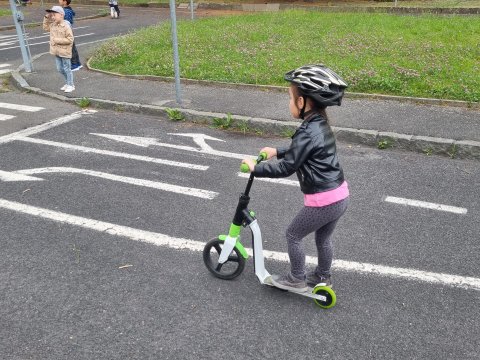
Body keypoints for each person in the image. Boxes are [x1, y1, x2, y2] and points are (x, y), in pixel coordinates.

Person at [241, 64, 350, 293]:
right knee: (323, 239)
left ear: (302, 103)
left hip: (323, 200)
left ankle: (296, 278)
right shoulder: (320, 124)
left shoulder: (307, 131)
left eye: (291, 98)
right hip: (340, 196)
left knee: (293, 234)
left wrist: (256, 169)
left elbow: (287, 168)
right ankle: (323, 276)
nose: (289, 103)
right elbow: (303, 150)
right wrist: (277, 151)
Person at [43, 6, 75, 93]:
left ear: (61, 15)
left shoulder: (66, 26)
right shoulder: (53, 25)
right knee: (60, 69)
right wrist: (46, 17)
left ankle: (71, 85)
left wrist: (56, 40)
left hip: (65, 51)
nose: (52, 17)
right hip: (57, 51)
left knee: (67, 68)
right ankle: (68, 82)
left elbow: (70, 39)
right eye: (51, 15)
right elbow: (45, 28)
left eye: (54, 15)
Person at [59, 0, 82, 71]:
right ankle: (77, 64)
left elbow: (66, 23)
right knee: (72, 47)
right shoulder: (68, 9)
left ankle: (74, 65)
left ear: (65, 1)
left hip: (67, 32)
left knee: (70, 48)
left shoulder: (66, 11)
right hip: (69, 31)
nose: (59, 1)